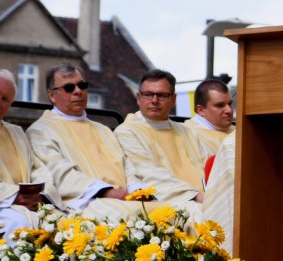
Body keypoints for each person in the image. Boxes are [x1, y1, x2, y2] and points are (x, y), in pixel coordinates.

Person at [27, 64, 157, 223]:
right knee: (132, 217)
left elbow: (126, 164)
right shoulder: (41, 131)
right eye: (69, 88)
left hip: (124, 197)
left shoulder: (103, 129)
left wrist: (136, 189)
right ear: (52, 95)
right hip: (86, 202)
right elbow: (59, 174)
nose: (78, 91)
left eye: (82, 85)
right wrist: (106, 192)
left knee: (166, 212)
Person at [114, 69, 212, 223]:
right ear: (138, 98)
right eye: (148, 94)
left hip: (204, 198)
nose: (154, 100)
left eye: (161, 95)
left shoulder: (188, 132)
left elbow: (211, 168)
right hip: (168, 202)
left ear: (173, 99)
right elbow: (149, 174)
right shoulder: (127, 131)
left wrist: (214, 195)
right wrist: (197, 197)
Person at [0, 69, 64, 236]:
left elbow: (37, 168)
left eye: (5, 99)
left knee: (64, 221)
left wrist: (40, 194)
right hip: (4, 205)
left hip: (27, 204)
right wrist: (14, 196)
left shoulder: (17, 132)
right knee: (18, 222)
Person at [185, 78, 234, 153]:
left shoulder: (240, 131)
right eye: (220, 105)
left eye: (230, 104)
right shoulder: (187, 136)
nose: (229, 110)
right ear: (200, 110)